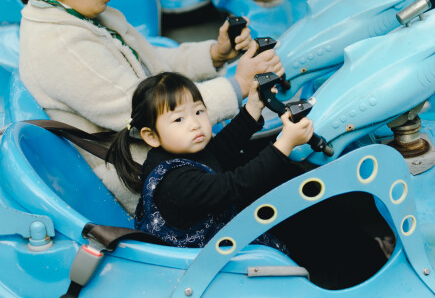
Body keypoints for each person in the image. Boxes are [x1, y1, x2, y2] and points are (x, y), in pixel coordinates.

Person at [14, 0, 283, 208]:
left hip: (171, 153)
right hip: (156, 184)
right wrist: (238, 85)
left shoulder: (83, 17)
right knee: (279, 174)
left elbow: (156, 67)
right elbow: (147, 109)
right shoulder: (62, 44)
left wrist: (214, 54)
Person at [106, 72, 313, 249]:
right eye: (179, 119)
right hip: (209, 261)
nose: (195, 124)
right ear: (151, 136)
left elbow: (220, 150)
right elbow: (235, 186)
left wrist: (252, 108)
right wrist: (285, 143)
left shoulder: (178, 150)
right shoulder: (175, 183)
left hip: (219, 237)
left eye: (198, 111)